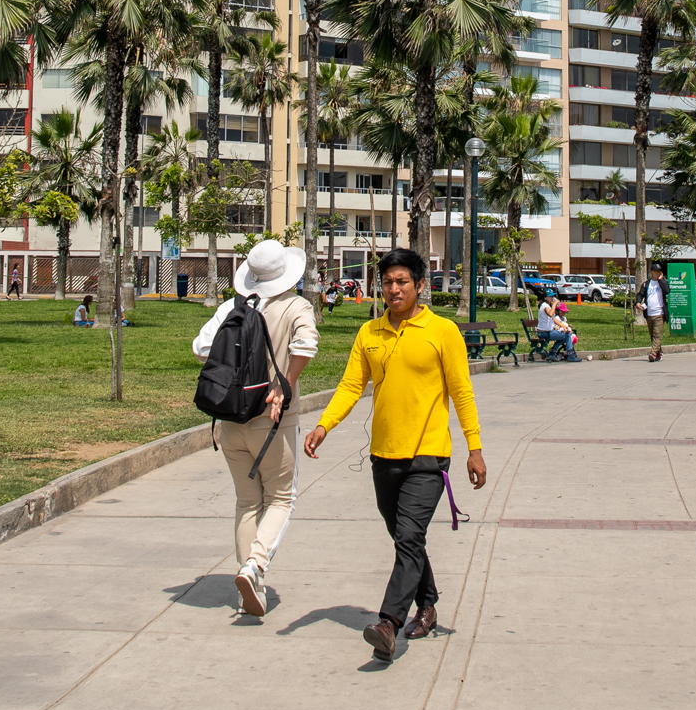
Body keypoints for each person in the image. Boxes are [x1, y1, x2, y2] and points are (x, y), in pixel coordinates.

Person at [306, 248, 485, 663]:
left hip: (428, 456)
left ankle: (389, 623)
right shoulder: (370, 333)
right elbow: (352, 385)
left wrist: (474, 448)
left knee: (408, 536)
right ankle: (428, 603)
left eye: (402, 281)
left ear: (420, 286)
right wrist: (323, 426)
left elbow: (462, 393)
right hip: (384, 456)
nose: (394, 289)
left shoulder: (443, 332)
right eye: (387, 282)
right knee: (405, 538)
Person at [194, 241, 319, 617]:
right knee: (282, 497)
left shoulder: (232, 309)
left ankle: (247, 582)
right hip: (274, 421)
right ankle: (255, 565)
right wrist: (284, 382)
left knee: (247, 501)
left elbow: (201, 348)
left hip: (232, 421)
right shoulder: (296, 306)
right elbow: (307, 344)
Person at [639, 270, 666, 361]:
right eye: (655, 272)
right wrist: (638, 302)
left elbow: (667, 290)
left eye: (659, 272)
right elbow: (640, 294)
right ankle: (659, 352)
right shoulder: (646, 284)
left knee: (657, 334)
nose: (657, 274)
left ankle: (653, 354)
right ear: (651, 272)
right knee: (653, 335)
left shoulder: (662, 283)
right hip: (649, 313)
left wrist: (661, 280)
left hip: (659, 313)